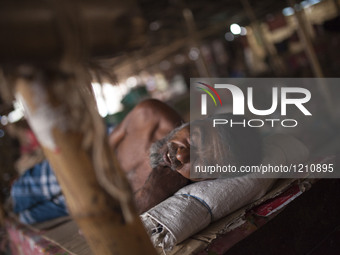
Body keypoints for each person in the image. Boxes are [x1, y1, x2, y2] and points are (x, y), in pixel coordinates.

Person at [11, 99, 262, 223]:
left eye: (201, 164)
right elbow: (107, 143)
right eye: (195, 138)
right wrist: (85, 178)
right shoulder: (150, 115)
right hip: (84, 164)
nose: (182, 156)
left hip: (91, 197)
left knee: (22, 220)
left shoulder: (170, 185)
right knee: (17, 193)